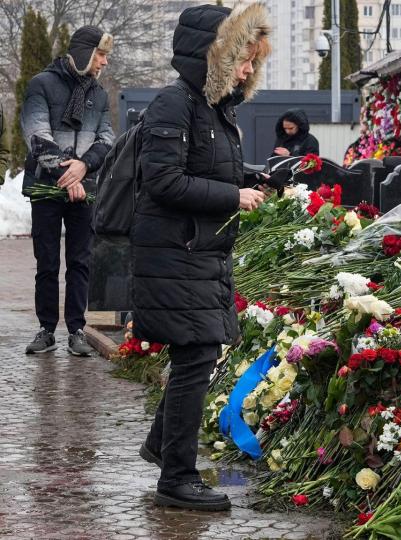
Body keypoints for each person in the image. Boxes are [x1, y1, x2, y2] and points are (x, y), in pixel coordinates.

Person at [133, 3, 270, 511]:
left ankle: (161, 445)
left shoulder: (212, 108)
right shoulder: (175, 104)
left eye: (253, 62)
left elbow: (205, 169)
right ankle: (176, 478)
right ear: (216, 55)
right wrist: (233, 195)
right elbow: (163, 180)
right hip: (176, 253)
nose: (248, 70)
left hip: (197, 251)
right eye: (243, 59)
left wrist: (251, 178)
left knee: (198, 355)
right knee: (195, 355)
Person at [21, 25, 114, 356]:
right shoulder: (41, 84)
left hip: (83, 189)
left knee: (80, 262)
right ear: (85, 52)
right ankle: (46, 330)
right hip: (47, 188)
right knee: (46, 262)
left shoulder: (99, 94)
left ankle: (76, 329)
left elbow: (106, 139)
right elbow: (36, 134)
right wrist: (69, 177)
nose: (104, 62)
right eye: (100, 54)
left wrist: (84, 166)